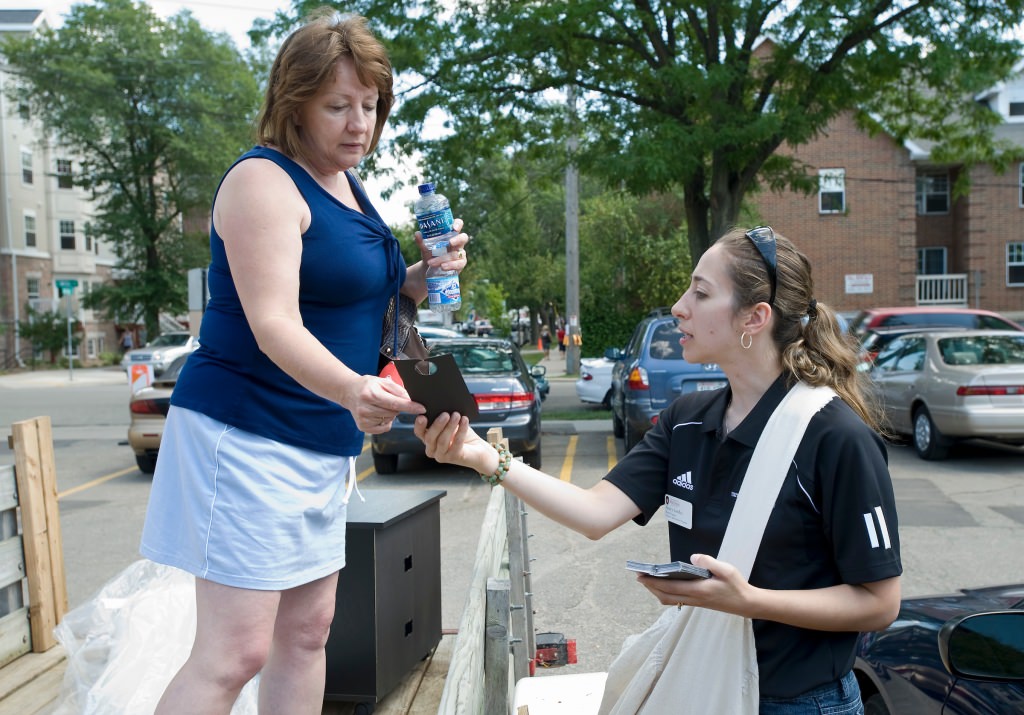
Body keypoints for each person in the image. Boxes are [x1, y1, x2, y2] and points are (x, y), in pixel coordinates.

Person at [416, 226, 901, 712]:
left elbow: (879, 603)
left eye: (701, 292)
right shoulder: (686, 418)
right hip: (700, 684)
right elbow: (594, 513)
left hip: (798, 703)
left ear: (755, 318)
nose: (679, 306)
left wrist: (749, 600)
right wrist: (484, 459)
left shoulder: (836, 437)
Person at [138, 10, 468, 714]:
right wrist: (353, 387)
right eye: (338, 105)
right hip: (246, 430)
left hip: (322, 440)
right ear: (294, 104)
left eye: (371, 106)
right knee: (234, 652)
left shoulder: (347, 182)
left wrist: (419, 274)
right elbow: (273, 323)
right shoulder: (265, 182)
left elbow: (359, 293)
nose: (359, 124)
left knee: (310, 631)